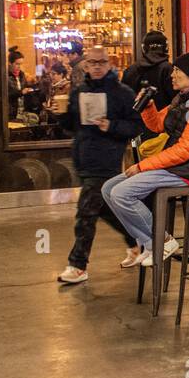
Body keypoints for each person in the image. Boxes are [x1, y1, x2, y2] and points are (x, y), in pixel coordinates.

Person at [102, 50, 189, 267]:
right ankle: (150, 242)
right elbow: (158, 125)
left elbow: (186, 150)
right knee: (108, 188)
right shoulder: (182, 99)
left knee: (121, 193)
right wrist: (148, 107)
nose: (172, 75)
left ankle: (163, 240)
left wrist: (142, 166)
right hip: (175, 167)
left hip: (187, 171)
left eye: (177, 71)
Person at [56, 48, 144, 284]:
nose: (96, 67)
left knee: (86, 213)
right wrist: (61, 113)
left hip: (106, 160)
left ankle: (78, 264)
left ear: (109, 64)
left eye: (101, 62)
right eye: (92, 63)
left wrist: (111, 126)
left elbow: (136, 126)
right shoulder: (79, 92)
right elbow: (72, 127)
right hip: (84, 158)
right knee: (104, 209)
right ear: (85, 66)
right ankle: (137, 242)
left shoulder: (123, 93)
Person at [121, 30, 175, 110]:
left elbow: (123, 100)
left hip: (135, 120)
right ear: (166, 48)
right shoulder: (170, 69)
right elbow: (176, 100)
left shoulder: (130, 70)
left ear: (143, 48)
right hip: (163, 119)